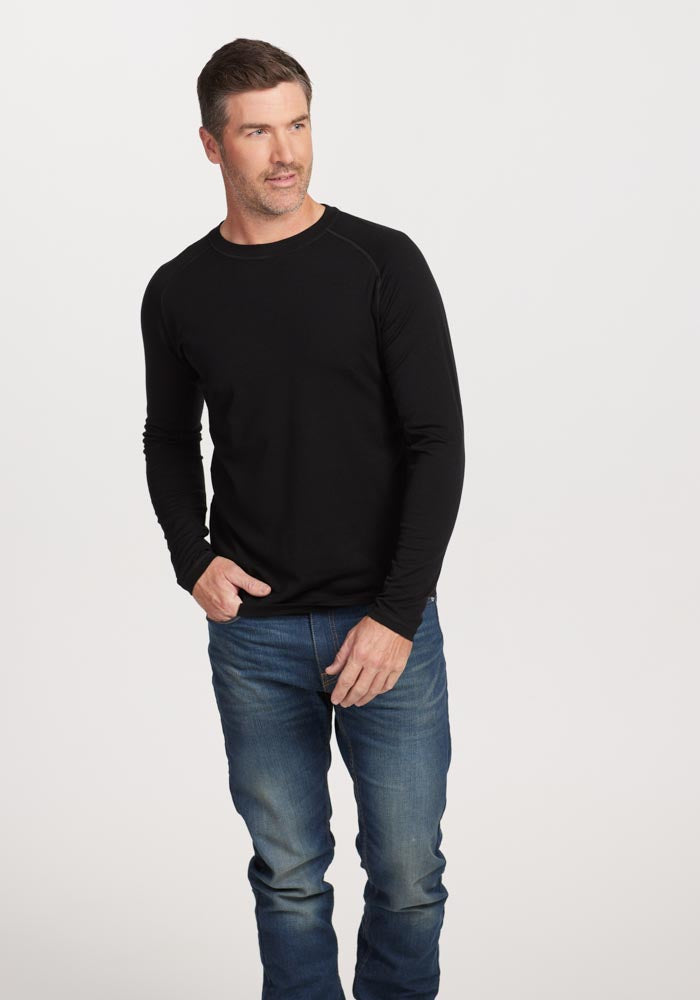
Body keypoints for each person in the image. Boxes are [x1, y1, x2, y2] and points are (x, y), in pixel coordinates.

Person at [140, 36, 465, 1000]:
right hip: (258, 638)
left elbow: (438, 444)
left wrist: (396, 616)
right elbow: (168, 440)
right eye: (257, 132)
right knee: (288, 879)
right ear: (212, 145)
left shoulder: (381, 262)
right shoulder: (178, 290)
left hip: (385, 630)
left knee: (408, 878)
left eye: (299, 124)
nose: (286, 153)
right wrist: (191, 558)